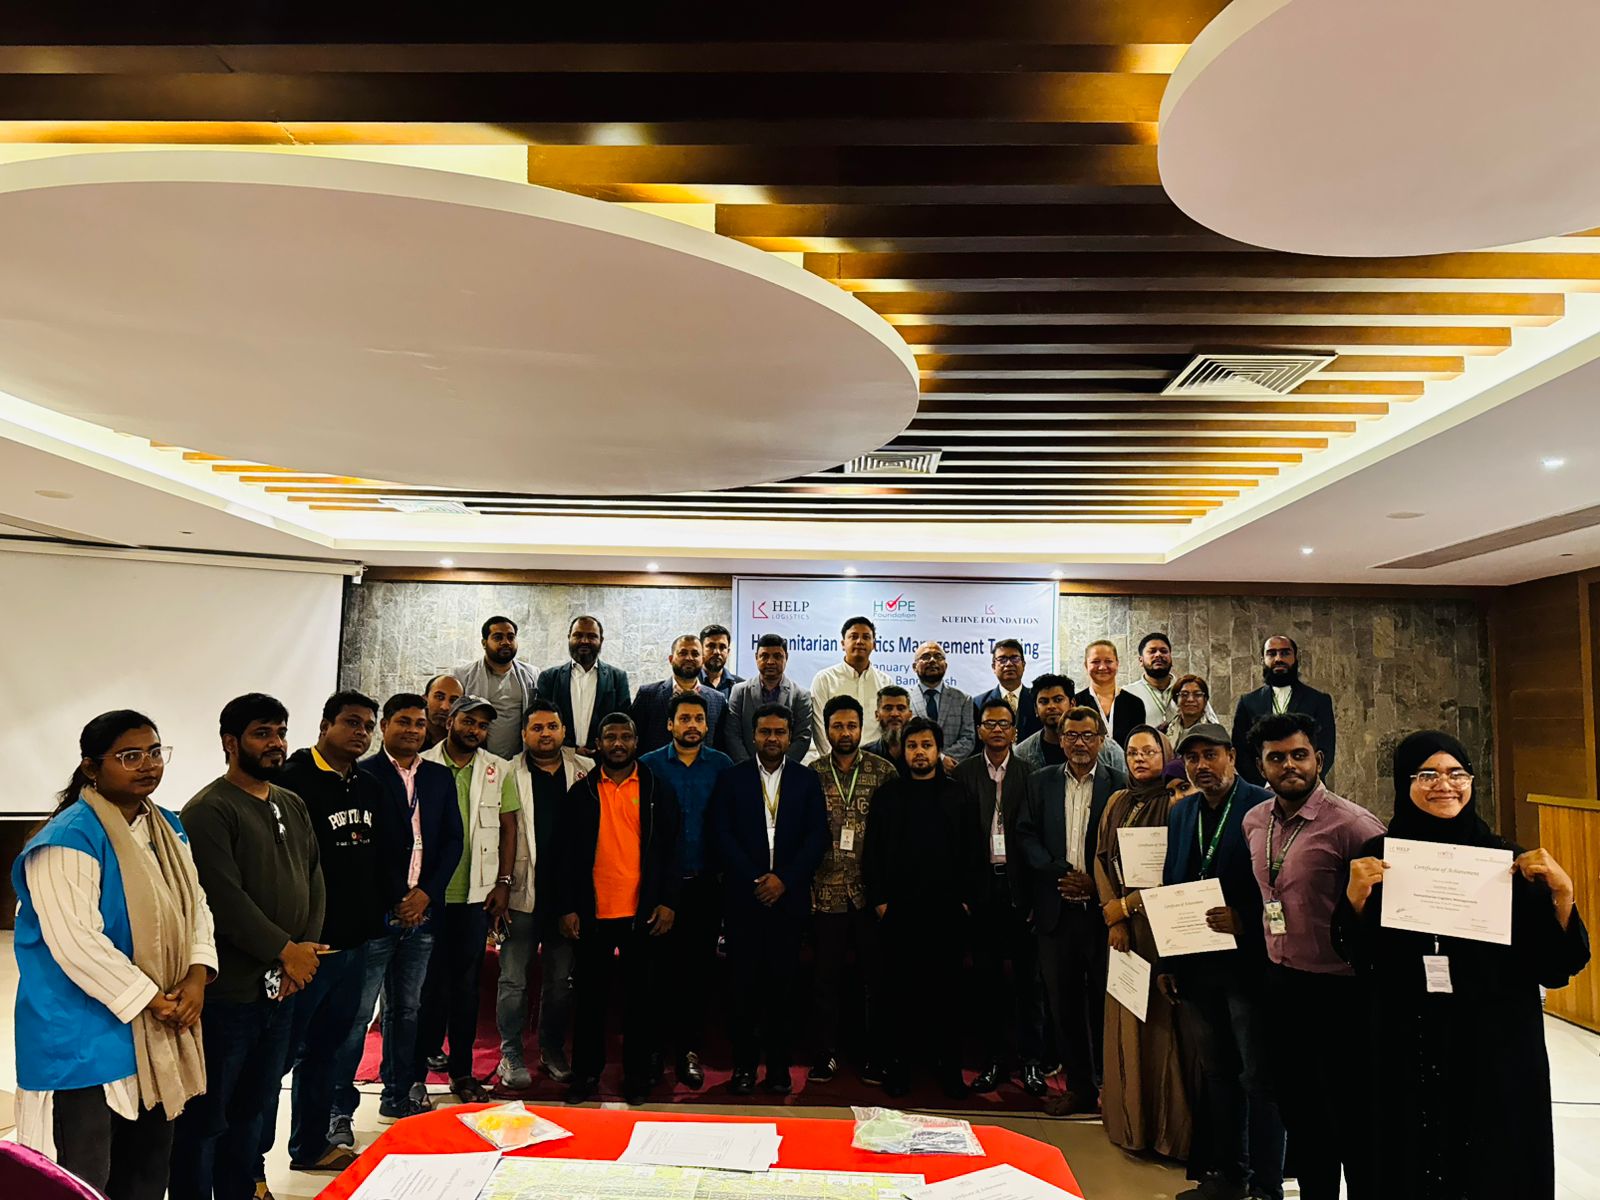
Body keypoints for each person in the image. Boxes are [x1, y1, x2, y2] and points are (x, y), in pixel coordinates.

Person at [1333, 731, 1589, 1200]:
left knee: (1492, 1165)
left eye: (1457, 773)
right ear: (1404, 782)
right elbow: (1356, 956)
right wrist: (1355, 901)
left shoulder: (1507, 862)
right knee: (1410, 1159)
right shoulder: (1377, 858)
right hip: (1406, 1041)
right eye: (1427, 774)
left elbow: (1557, 966)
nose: (1444, 785)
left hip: (1492, 1049)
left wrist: (1563, 894)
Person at [13, 711, 212, 1200]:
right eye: (129, 756)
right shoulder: (68, 838)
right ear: (91, 767)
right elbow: (77, 942)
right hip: (82, 1036)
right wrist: (154, 999)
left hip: (156, 1026)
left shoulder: (168, 827)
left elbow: (196, 906)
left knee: (146, 1171)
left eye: (154, 752)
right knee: (82, 1176)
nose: (147, 765)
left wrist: (196, 975)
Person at [171, 694, 325, 1200]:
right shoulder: (208, 810)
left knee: (253, 1109)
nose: (276, 743)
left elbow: (314, 876)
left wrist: (302, 953)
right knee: (207, 1116)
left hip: (281, 991)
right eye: (262, 733)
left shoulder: (290, 802)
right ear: (230, 743)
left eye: (280, 732)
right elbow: (222, 899)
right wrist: (285, 950)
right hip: (229, 995)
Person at [1240, 711, 1382, 1200]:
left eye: (1299, 755)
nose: (1289, 766)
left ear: (1318, 759)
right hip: (1283, 984)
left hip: (1343, 990)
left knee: (1354, 1118)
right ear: (1261, 766)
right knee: (1302, 1113)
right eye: (1276, 758)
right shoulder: (1254, 821)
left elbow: (1381, 915)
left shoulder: (1354, 826)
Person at [264, 691, 386, 1175]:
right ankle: (249, 1166)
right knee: (275, 1060)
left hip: (354, 946)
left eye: (368, 726)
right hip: (306, 949)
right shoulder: (290, 780)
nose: (361, 733)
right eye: (351, 722)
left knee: (328, 1053)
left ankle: (311, 1147)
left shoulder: (369, 784)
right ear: (324, 725)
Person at [329, 694, 460, 1136]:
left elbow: (453, 842)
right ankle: (338, 1111)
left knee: (406, 1010)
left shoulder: (438, 777)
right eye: (403, 721)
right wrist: (396, 901)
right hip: (376, 916)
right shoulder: (362, 774)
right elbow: (362, 851)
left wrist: (425, 895)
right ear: (384, 726)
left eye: (420, 724)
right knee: (357, 1016)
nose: (412, 730)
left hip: (423, 914)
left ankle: (398, 1095)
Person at [1162, 723, 1282, 1200]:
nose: (1201, 766)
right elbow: (1172, 884)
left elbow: (1283, 885)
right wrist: (1168, 962)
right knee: (1217, 1074)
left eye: (1210, 755)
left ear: (1232, 756)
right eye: (1192, 759)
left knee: (1259, 1078)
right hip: (1196, 964)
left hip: (1247, 965)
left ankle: (1267, 1187)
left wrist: (1246, 920)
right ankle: (1229, 1176)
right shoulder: (1182, 812)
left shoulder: (1263, 807)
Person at [558, 713, 681, 1105]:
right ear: (598, 743)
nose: (617, 743)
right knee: (589, 1002)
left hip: (641, 913)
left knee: (641, 1002)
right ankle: (585, 1075)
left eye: (625, 736)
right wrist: (568, 907)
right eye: (610, 737)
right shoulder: (581, 792)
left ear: (636, 742)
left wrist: (667, 902)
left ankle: (638, 1077)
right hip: (592, 913)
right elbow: (566, 858)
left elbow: (672, 851)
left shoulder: (657, 789)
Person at [708, 704, 829, 1095]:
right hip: (744, 900)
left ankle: (778, 1068)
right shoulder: (732, 778)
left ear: (790, 736)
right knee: (743, 988)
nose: (772, 738)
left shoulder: (806, 780)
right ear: (754, 735)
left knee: (783, 989)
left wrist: (784, 881)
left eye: (779, 732)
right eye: (765, 732)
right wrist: (756, 879)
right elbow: (721, 834)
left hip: (788, 902)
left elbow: (817, 837)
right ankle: (744, 1067)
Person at [864, 716, 984, 1099]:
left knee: (947, 995)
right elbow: (873, 853)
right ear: (903, 751)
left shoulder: (958, 794)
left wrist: (966, 903)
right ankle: (898, 1067)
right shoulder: (888, 795)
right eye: (913, 745)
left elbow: (973, 852)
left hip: (947, 913)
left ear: (938, 749)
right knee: (898, 994)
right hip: (899, 912)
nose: (919, 752)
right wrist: (881, 902)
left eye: (926, 745)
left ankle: (949, 1070)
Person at [1016, 705, 1127, 1115]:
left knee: (1107, 1006)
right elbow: (1025, 835)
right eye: (1072, 736)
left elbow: (1126, 847)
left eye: (1088, 735)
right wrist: (1060, 873)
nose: (1080, 743)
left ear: (1101, 740)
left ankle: (1113, 1090)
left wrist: (1096, 885)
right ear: (1061, 740)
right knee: (1063, 1007)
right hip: (1056, 911)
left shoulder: (1119, 785)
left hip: (1103, 915)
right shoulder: (1040, 781)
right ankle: (1079, 1088)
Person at [1093, 725, 1193, 1160]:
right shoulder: (1117, 800)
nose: (1139, 759)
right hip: (1122, 930)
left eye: (1149, 751)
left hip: (1160, 928)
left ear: (1165, 754)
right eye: (1132, 752)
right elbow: (1100, 858)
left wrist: (1127, 906)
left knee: (1162, 1030)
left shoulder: (1176, 802)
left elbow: (1176, 870)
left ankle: (1166, 1133)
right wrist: (1112, 912)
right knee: (1127, 1020)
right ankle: (1130, 1124)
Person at [417, 695, 517, 1103]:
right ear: (450, 721)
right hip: (427, 896)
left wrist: (503, 883)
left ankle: (462, 1073)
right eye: (468, 722)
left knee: (465, 989)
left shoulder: (498, 769)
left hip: (475, 898)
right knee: (425, 989)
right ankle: (413, 1076)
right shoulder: (422, 764)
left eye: (482, 725)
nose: (475, 730)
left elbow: (509, 828)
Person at [494, 701, 592, 1090]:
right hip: (521, 893)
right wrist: (500, 884)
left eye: (552, 726)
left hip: (567, 898)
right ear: (524, 734)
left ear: (564, 731)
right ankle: (511, 1052)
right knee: (513, 980)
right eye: (537, 728)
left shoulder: (586, 770)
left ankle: (552, 1050)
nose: (545, 734)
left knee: (560, 982)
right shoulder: (507, 772)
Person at [639, 691, 733, 1090]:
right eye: (684, 719)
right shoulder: (649, 765)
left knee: (697, 973)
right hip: (660, 887)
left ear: (707, 725)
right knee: (657, 973)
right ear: (670, 724)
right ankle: (654, 1052)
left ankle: (688, 1051)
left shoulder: (723, 766)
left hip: (706, 886)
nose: (692, 725)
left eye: (698, 719)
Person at [953, 699, 1045, 1097]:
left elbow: (1039, 834)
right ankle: (992, 1061)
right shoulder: (964, 773)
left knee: (1029, 982)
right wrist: (962, 891)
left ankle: (1031, 1062)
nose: (996, 730)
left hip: (1020, 886)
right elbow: (955, 836)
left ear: (1014, 731)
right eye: (989, 723)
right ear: (979, 730)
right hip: (981, 889)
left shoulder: (1031, 774)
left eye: (1003, 724)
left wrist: (1037, 895)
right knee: (987, 981)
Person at [809, 695, 899, 1085]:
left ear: (863, 728)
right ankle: (825, 1054)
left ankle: (874, 1056)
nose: (845, 733)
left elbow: (896, 838)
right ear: (827, 729)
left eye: (851, 726)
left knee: (875, 980)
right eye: (837, 726)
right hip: (825, 891)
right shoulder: (812, 774)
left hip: (870, 895)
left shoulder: (884, 772)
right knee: (824, 980)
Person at [1230, 636, 1336, 787]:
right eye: (1272, 653)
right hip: (1261, 790)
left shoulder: (1319, 700)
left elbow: (1326, 748)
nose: (1279, 659)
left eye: (1285, 653)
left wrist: (1305, 781)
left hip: (1308, 787)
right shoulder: (1248, 702)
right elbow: (1241, 752)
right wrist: (1265, 785)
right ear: (1262, 660)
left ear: (1296, 657)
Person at [535, 615, 631, 757]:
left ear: (601, 640)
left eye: (592, 636)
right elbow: (541, 719)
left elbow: (623, 721)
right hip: (559, 758)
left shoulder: (618, 677)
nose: (584, 641)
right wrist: (571, 749)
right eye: (578, 635)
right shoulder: (549, 678)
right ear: (569, 637)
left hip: (603, 759)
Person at [808, 616, 895, 761]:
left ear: (874, 644)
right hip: (834, 764)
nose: (859, 641)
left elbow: (888, 729)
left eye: (866, 637)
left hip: (876, 764)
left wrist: (878, 764)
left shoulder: (886, 682)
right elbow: (820, 729)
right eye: (854, 637)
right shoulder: (825, 679)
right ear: (843, 644)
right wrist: (837, 763)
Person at [452, 615, 539, 759]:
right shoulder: (463, 675)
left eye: (511, 637)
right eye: (498, 637)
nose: (506, 642)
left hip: (520, 760)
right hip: (476, 757)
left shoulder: (532, 674)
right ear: (484, 643)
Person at [630, 633, 729, 756]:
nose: (689, 658)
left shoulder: (718, 700)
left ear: (702, 660)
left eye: (695, 654)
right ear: (671, 659)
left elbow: (721, 744)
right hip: (654, 767)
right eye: (683, 653)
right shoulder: (648, 695)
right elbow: (634, 738)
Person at [726, 633, 813, 764]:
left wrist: (780, 768)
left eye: (777, 656)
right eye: (764, 656)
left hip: (786, 771)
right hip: (746, 770)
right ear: (756, 657)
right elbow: (732, 735)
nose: (770, 662)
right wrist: (750, 768)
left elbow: (802, 738)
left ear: (786, 657)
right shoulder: (740, 692)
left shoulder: (801, 695)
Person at [908, 640, 976, 761]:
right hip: (915, 765)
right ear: (914, 667)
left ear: (945, 665)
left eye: (938, 657)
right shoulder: (905, 699)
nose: (932, 660)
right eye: (926, 657)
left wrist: (943, 759)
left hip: (951, 768)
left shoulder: (963, 700)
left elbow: (968, 738)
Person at [971, 639, 1045, 740]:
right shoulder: (978, 703)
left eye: (1015, 658)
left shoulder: (1037, 700)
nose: (1009, 664)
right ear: (993, 667)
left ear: (1023, 665)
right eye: (1002, 659)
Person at [1076, 640, 1144, 748]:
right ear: (1086, 665)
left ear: (1117, 664)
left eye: (1108, 661)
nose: (1102, 667)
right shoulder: (1076, 703)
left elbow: (1139, 742)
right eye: (1095, 662)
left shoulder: (1134, 703)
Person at [1013, 673, 1076, 769]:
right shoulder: (1022, 754)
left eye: (1058, 700)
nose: (1051, 706)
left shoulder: (1094, 747)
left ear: (1072, 704)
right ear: (1035, 709)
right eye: (1044, 702)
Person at [860, 684, 914, 763]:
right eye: (888, 708)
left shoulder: (919, 756)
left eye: (901, 708)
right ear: (877, 715)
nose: (895, 714)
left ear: (910, 715)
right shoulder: (864, 756)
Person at [1162, 674, 1215, 741]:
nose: (1190, 699)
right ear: (1176, 701)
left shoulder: (1214, 733)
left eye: (1197, 694)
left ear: (1205, 700)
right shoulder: (1164, 731)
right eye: (1184, 694)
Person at [421, 674, 463, 752]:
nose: (445, 707)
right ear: (425, 699)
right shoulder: (410, 735)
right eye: (439, 697)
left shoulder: (462, 740)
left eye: (453, 701)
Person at [699, 622, 744, 696]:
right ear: (701, 649)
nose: (717, 652)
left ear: (728, 652)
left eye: (722, 647)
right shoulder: (689, 683)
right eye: (711, 646)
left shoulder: (740, 686)